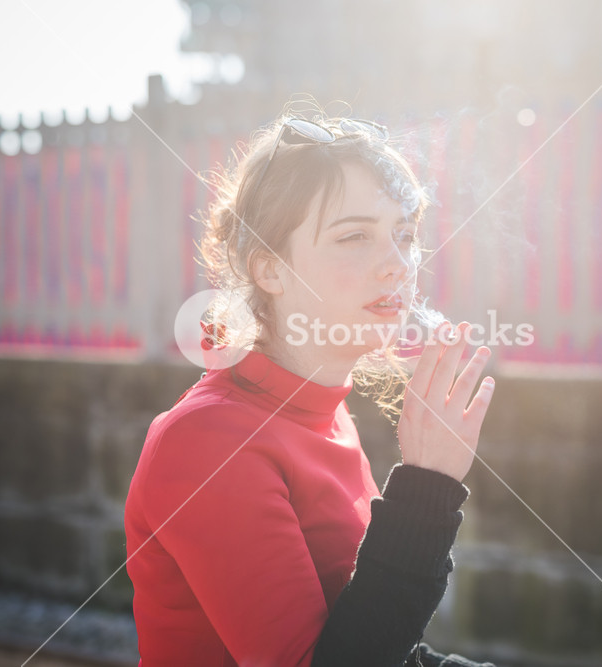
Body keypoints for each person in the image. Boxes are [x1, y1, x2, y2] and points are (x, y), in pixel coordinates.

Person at [124, 111, 497, 667]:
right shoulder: (206, 442)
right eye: (354, 236)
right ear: (270, 269)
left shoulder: (331, 416)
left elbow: (384, 644)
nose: (398, 264)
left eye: (405, 234)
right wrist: (427, 488)